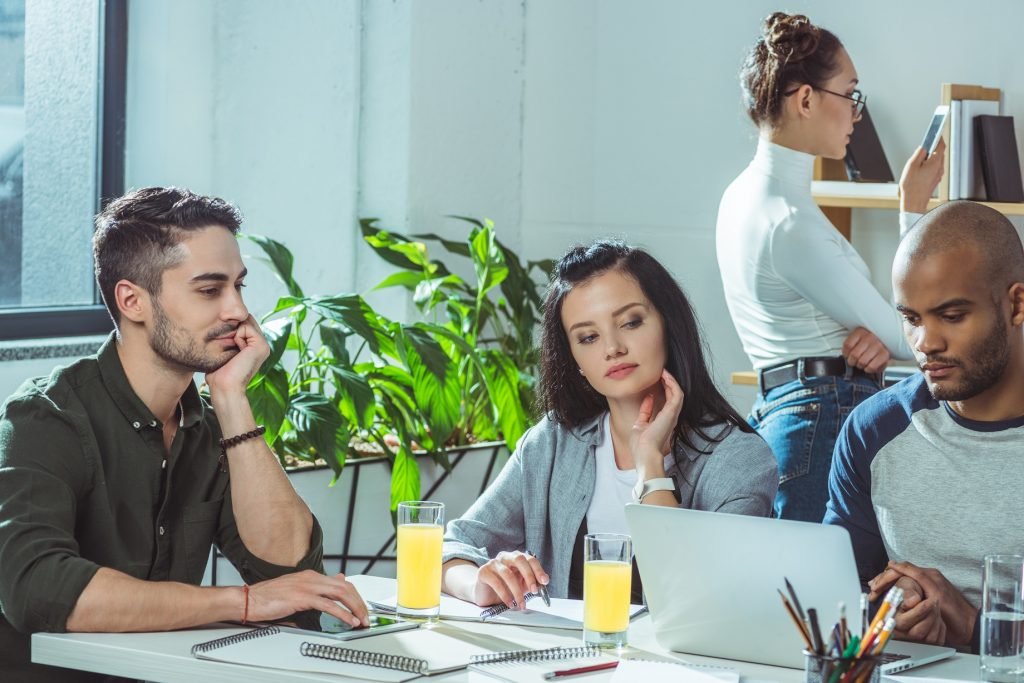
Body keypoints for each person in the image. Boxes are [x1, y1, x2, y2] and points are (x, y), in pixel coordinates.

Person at [0, 187, 368, 682]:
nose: (237, 311)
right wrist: (243, 602)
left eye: (239, 286)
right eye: (209, 290)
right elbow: (37, 586)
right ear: (132, 301)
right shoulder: (45, 418)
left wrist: (233, 400)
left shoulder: (212, 427)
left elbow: (289, 576)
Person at [441, 240, 778, 610]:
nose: (612, 347)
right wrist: (480, 583)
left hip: (673, 668)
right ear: (575, 360)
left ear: (669, 323)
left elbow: (698, 605)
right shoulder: (553, 443)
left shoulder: (740, 461)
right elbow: (450, 546)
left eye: (630, 322)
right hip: (557, 664)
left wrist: (651, 466)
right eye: (588, 337)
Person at [716, 12, 945, 522]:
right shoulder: (790, 221)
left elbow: (888, 332)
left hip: (789, 410)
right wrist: (912, 210)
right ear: (805, 100)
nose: (856, 115)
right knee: (810, 595)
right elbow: (910, 330)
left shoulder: (743, 196)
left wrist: (879, 337)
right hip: (820, 416)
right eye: (851, 94)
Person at [824, 201, 1024, 650]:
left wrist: (975, 629)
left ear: (1016, 303)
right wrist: (895, 608)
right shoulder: (874, 430)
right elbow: (840, 594)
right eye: (911, 319)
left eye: (952, 316)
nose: (925, 343)